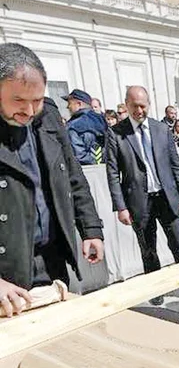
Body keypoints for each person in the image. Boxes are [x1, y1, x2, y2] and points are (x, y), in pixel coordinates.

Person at [0, 43, 104, 317]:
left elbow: (72, 175)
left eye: (36, 100)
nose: (30, 110)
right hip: (5, 273)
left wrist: (90, 228)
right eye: (18, 101)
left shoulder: (48, 117)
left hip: (52, 260)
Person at [106, 85, 179, 306]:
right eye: (134, 106)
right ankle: (156, 290)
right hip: (139, 201)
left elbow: (176, 166)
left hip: (167, 197)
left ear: (149, 104)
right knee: (148, 248)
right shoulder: (116, 133)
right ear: (127, 105)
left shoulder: (160, 129)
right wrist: (121, 207)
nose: (139, 110)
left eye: (143, 105)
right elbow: (112, 172)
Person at [62, 88, 108, 165]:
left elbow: (78, 155)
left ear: (79, 104)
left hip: (86, 170)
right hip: (106, 168)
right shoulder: (102, 120)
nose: (68, 107)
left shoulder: (73, 126)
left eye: (69, 103)